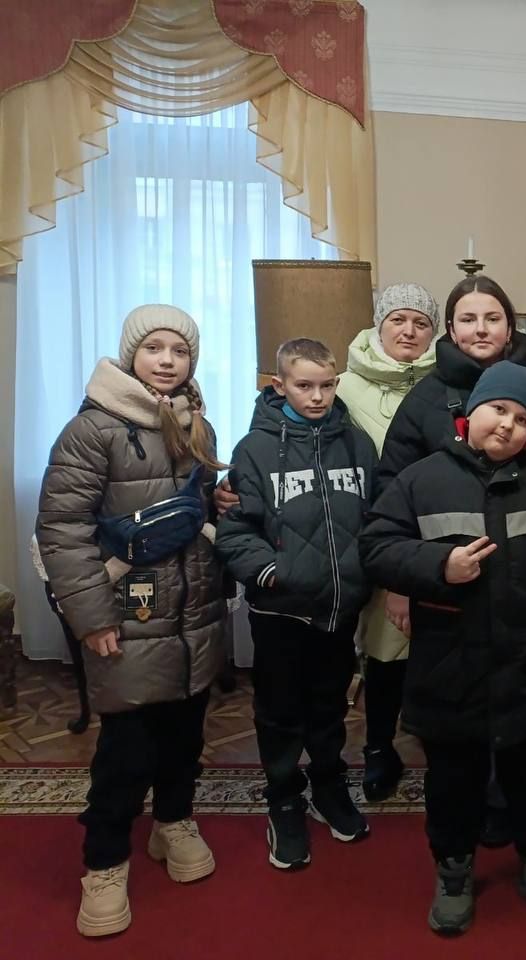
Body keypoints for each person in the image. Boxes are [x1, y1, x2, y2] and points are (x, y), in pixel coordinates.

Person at [359, 362, 526, 935]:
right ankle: (453, 869)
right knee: (452, 782)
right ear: (470, 415)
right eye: (499, 410)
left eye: (522, 418)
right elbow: (376, 545)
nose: (508, 424)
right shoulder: (422, 478)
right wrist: (439, 565)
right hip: (450, 665)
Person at [36, 304, 226, 938]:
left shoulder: (198, 425)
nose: (168, 360)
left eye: (181, 350)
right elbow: (62, 528)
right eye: (154, 348)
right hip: (127, 613)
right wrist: (91, 615)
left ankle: (173, 821)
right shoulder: (92, 430)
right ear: (131, 355)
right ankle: (105, 862)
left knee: (185, 735)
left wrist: (219, 503)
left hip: (193, 613)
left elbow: (197, 509)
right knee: (126, 749)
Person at [216, 338, 380, 871]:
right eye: (304, 386)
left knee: (329, 706)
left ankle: (329, 786)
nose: (317, 397)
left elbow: (377, 514)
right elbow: (235, 529)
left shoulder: (357, 444)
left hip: (339, 606)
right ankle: (284, 797)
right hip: (280, 610)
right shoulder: (253, 449)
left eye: (327, 385)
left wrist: (363, 571)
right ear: (279, 385)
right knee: (280, 710)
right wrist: (271, 572)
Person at [336, 282, 442, 802]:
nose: (408, 331)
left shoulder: (448, 383)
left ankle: (437, 736)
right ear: (379, 326)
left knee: (438, 645)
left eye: (420, 323)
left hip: (439, 537)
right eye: (398, 320)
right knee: (384, 647)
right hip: (376, 537)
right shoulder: (342, 389)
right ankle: (379, 745)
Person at [379, 275, 526, 485]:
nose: (481, 329)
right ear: (452, 330)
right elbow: (393, 484)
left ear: (509, 329)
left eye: (492, 319)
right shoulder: (423, 399)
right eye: (468, 320)